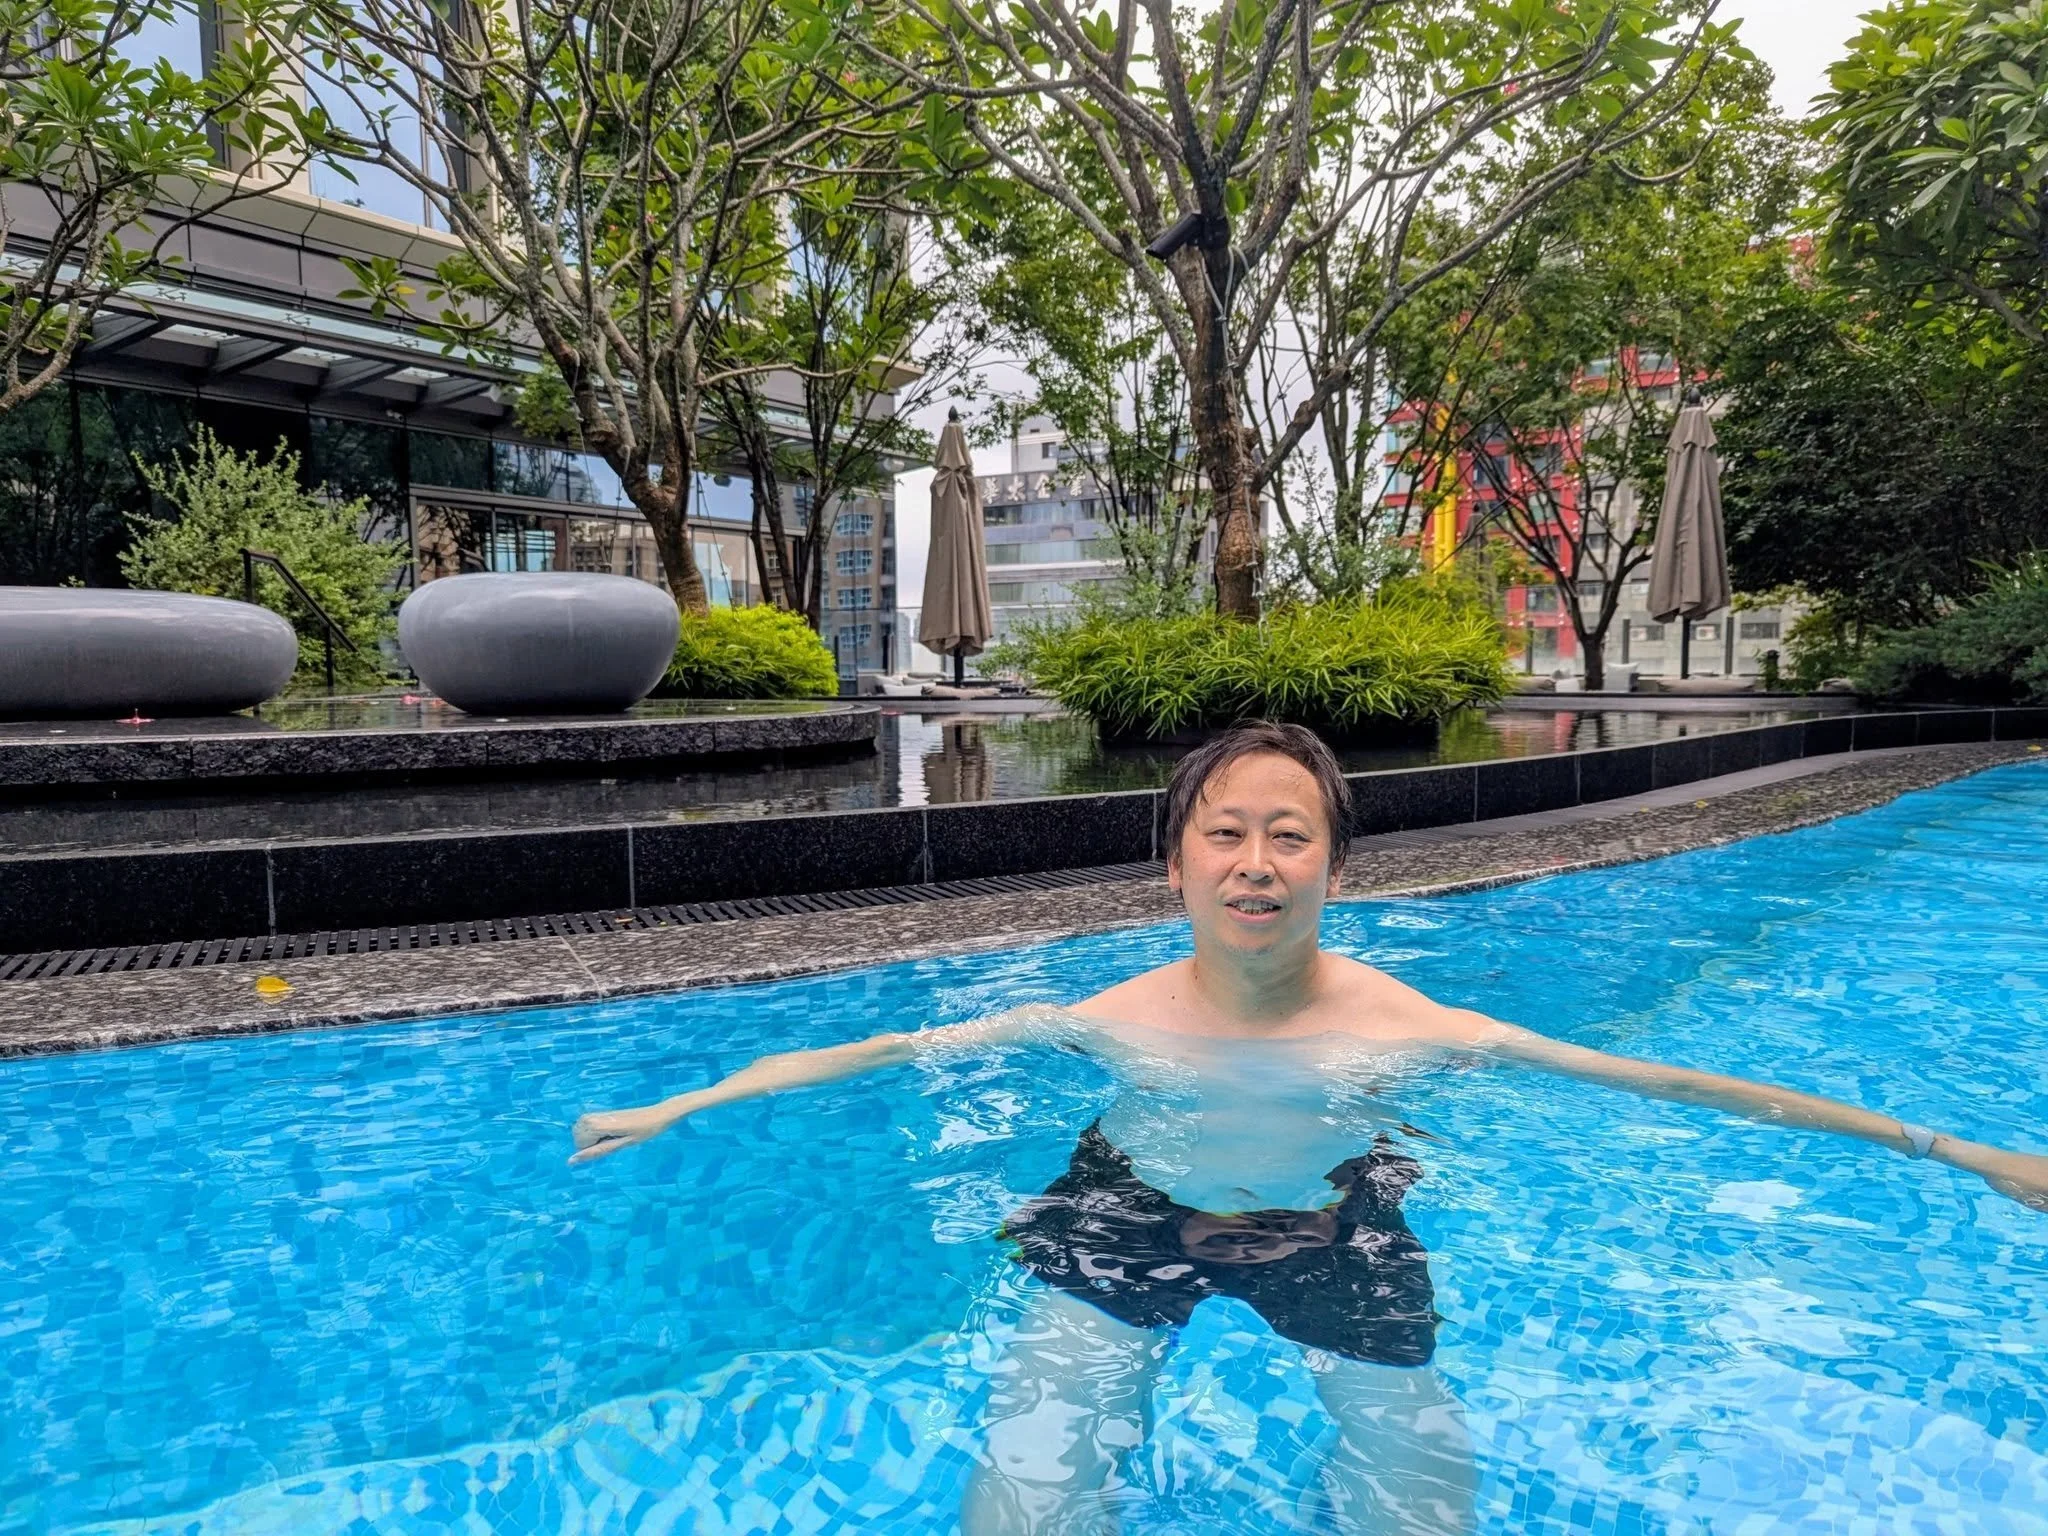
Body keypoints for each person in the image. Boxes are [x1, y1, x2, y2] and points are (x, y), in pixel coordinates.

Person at [572, 721, 2048, 1535]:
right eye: (1225, 833)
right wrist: (683, 1101)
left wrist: (1959, 1153)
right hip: (1128, 1213)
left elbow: (1670, 1087)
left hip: (1336, 1221)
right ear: (1175, 867)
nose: (1256, 861)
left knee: (1425, 1502)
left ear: (1337, 866)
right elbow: (882, 1047)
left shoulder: (1412, 1028)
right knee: (1025, 1491)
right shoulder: (1112, 1018)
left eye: (1291, 835)